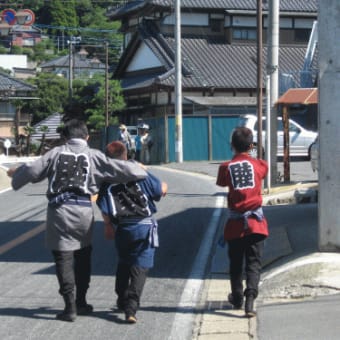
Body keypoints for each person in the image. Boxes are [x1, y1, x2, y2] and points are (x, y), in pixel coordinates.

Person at [7, 119, 147, 322]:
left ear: (65, 137)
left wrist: (16, 178)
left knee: (63, 258)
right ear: (87, 137)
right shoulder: (94, 155)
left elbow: (33, 171)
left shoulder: (55, 153)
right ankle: (81, 301)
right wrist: (140, 170)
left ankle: (69, 306)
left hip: (59, 210)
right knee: (83, 255)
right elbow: (117, 169)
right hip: (83, 210)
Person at [96, 141, 167, 324]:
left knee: (125, 262)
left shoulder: (108, 180)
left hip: (123, 228)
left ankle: (121, 297)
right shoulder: (139, 173)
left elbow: (104, 209)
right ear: (126, 155)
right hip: (144, 226)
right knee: (140, 267)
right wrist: (164, 185)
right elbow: (160, 190)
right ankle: (131, 308)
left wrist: (107, 226)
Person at [216, 126, 269, 317]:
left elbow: (222, 183)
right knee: (254, 263)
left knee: (236, 264)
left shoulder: (226, 167)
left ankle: (237, 297)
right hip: (256, 222)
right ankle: (250, 301)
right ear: (252, 146)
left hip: (236, 224)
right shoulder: (260, 164)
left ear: (232, 145)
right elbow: (262, 170)